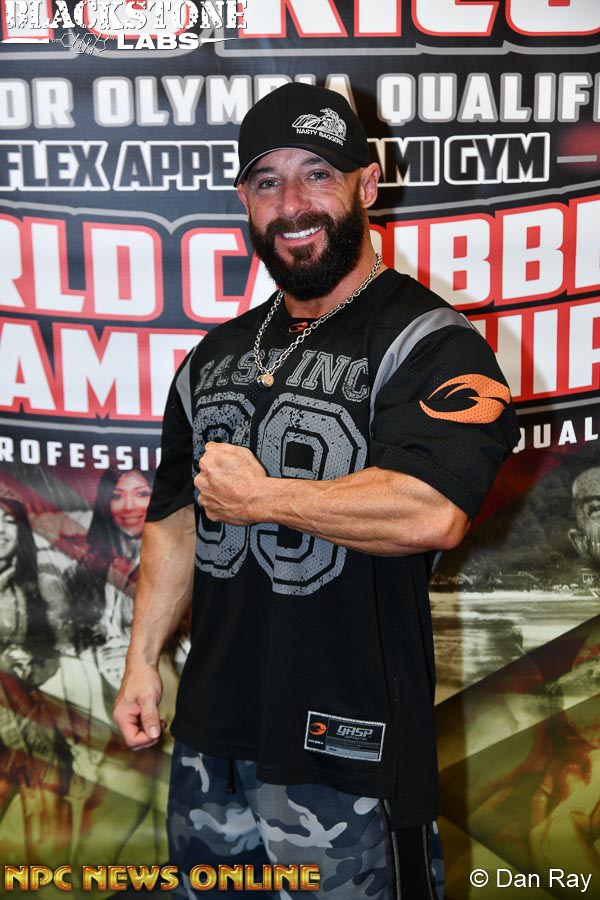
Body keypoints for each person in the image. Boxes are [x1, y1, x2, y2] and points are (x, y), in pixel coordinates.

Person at [115, 83, 520, 898]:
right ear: (244, 200)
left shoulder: (429, 341)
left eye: (318, 174)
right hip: (213, 740)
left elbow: (431, 510)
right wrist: (142, 662)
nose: (292, 203)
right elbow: (175, 520)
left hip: (351, 748)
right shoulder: (214, 355)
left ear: (367, 184)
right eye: (268, 181)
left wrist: (264, 499)